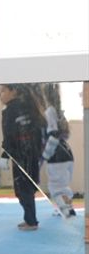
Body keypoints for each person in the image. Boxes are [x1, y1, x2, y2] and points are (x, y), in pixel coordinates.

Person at [0, 83, 45, 231]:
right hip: (32, 153)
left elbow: (9, 135)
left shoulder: (10, 110)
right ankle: (30, 219)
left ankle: (31, 221)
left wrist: (5, 155)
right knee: (27, 188)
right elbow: (39, 131)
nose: (0, 95)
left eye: (3, 91)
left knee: (23, 189)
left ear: (14, 91)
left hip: (20, 154)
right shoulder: (30, 106)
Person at [40, 83, 76, 218]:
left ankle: (66, 212)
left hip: (57, 155)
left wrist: (45, 155)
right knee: (63, 185)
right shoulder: (60, 111)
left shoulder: (50, 111)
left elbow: (54, 134)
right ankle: (69, 209)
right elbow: (65, 134)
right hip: (67, 153)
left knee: (56, 188)